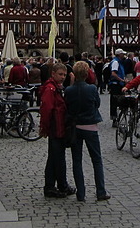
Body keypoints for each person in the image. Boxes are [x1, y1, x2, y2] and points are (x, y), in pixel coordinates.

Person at [64, 61, 111, 202]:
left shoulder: (69, 90)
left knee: (77, 160)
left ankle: (81, 193)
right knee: (96, 160)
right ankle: (100, 191)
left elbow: (68, 106)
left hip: (75, 127)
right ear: (86, 74)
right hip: (90, 127)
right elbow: (97, 103)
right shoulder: (92, 89)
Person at [39, 62, 75, 198]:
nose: (63, 77)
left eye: (64, 75)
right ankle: (55, 186)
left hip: (60, 127)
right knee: (56, 158)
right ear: (53, 74)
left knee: (56, 158)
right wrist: (44, 127)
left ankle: (58, 185)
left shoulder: (57, 88)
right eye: (60, 74)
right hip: (55, 127)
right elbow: (47, 109)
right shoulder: (50, 89)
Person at [108, 49, 127, 122]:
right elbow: (113, 73)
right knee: (115, 102)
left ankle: (117, 117)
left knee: (118, 101)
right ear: (119, 54)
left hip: (118, 84)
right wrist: (122, 80)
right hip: (116, 85)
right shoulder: (116, 62)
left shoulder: (118, 62)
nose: (123, 55)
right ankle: (115, 119)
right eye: (122, 54)